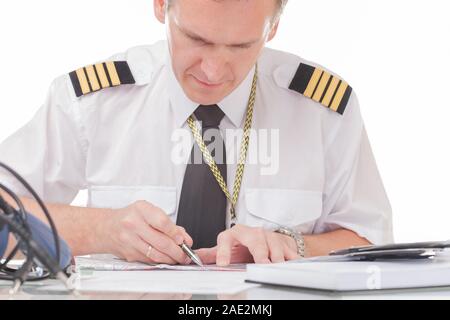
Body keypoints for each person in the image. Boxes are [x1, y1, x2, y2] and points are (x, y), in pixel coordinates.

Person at [0, 0, 393, 267]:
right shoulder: (92, 101)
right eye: (197, 39)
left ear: (273, 28)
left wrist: (294, 246)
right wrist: (101, 229)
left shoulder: (322, 109)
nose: (213, 71)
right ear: (160, 5)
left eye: (241, 46)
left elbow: (371, 243)